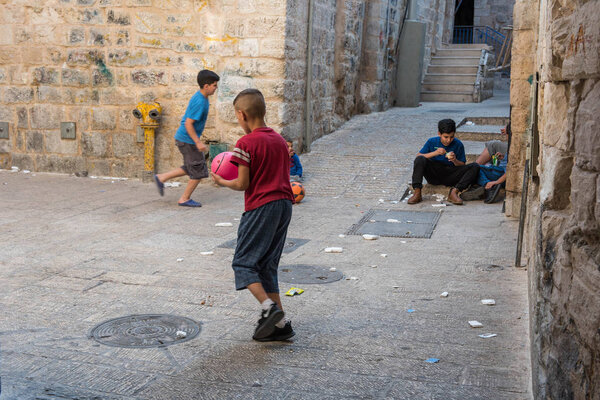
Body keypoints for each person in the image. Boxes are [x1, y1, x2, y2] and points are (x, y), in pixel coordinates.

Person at [211, 89, 296, 342]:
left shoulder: (245, 144)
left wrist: (220, 180)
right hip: (284, 205)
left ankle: (269, 309)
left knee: (244, 263)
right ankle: (280, 324)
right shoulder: (280, 141)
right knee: (268, 264)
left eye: (237, 117)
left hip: (261, 206)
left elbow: (242, 184)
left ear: (242, 114)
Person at [153, 70, 220, 207]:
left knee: (192, 167)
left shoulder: (201, 97)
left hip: (185, 139)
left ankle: (162, 177)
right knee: (199, 172)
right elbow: (188, 123)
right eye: (214, 85)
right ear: (206, 86)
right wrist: (198, 142)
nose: (216, 88)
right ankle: (184, 198)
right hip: (188, 140)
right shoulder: (200, 102)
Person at [407, 119, 479, 205]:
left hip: (450, 175)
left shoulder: (458, 144)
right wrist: (435, 153)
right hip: (434, 175)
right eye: (446, 137)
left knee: (475, 166)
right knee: (420, 159)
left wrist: (454, 160)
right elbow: (418, 156)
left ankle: (454, 192)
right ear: (439, 134)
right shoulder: (432, 141)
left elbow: (462, 165)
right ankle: (417, 192)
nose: (448, 140)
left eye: (451, 137)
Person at [461, 124, 510, 203]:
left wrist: (496, 182)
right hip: (501, 174)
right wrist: (503, 158)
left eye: (506, 135)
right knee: (476, 168)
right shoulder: (512, 146)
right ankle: (478, 187)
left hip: (501, 175)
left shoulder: (514, 148)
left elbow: (510, 171)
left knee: (475, 168)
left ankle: (487, 186)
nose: (506, 137)